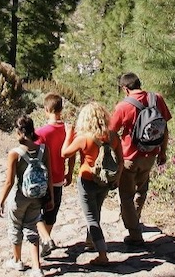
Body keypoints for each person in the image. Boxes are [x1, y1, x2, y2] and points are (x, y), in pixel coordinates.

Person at [108, 72, 171, 247]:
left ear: (125, 88)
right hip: (150, 154)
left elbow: (111, 132)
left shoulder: (123, 106)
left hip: (129, 157)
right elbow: (165, 129)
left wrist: (115, 154)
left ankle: (135, 234)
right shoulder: (156, 98)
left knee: (126, 196)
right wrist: (163, 152)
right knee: (141, 191)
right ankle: (135, 219)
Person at [61, 102, 122, 266]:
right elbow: (121, 161)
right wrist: (116, 178)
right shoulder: (114, 136)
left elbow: (64, 153)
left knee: (91, 218)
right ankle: (90, 241)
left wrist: (68, 134)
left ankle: (102, 255)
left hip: (87, 180)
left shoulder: (83, 138)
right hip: (104, 181)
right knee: (96, 211)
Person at [0, 116, 50, 276]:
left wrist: (1, 201)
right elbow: (50, 175)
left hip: (19, 197)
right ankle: (36, 267)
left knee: (15, 228)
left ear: (19, 132)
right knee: (31, 228)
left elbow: (9, 182)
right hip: (37, 197)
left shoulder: (15, 153)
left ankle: (17, 260)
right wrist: (50, 197)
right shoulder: (43, 150)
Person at [33, 93, 73, 255]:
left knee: (34, 212)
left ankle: (46, 240)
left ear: (46, 110)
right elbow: (71, 153)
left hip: (42, 179)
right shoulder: (68, 130)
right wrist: (70, 172)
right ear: (61, 109)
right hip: (58, 178)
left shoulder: (41, 133)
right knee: (51, 213)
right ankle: (46, 240)